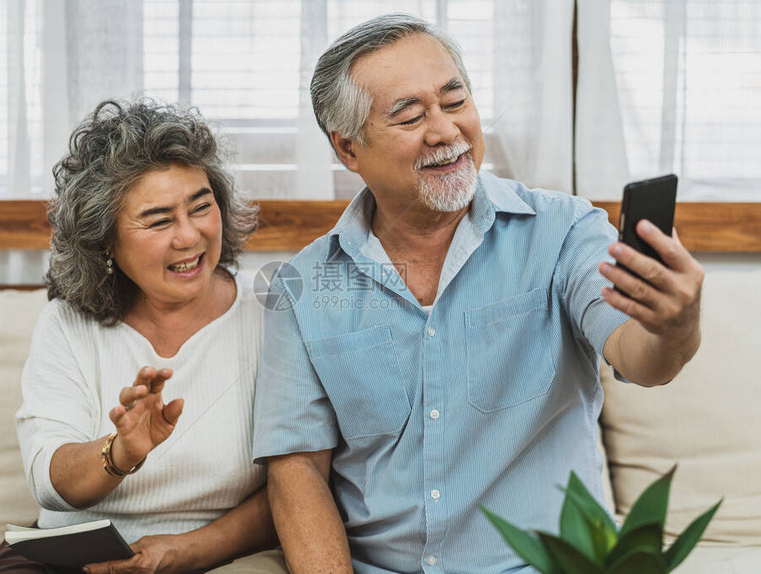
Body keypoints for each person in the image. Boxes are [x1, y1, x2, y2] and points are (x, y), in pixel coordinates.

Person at [252, 13, 704, 574]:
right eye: (410, 115)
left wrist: (673, 322)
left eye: (455, 100)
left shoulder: (564, 231)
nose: (445, 131)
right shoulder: (303, 287)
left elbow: (642, 356)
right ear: (349, 150)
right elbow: (297, 472)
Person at [0, 99, 286, 574]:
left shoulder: (272, 319)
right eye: (160, 220)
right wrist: (119, 453)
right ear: (105, 240)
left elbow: (301, 482)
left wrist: (191, 550)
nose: (189, 236)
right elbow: (49, 480)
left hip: (210, 554)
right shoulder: (67, 323)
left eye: (201, 207)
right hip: (66, 556)